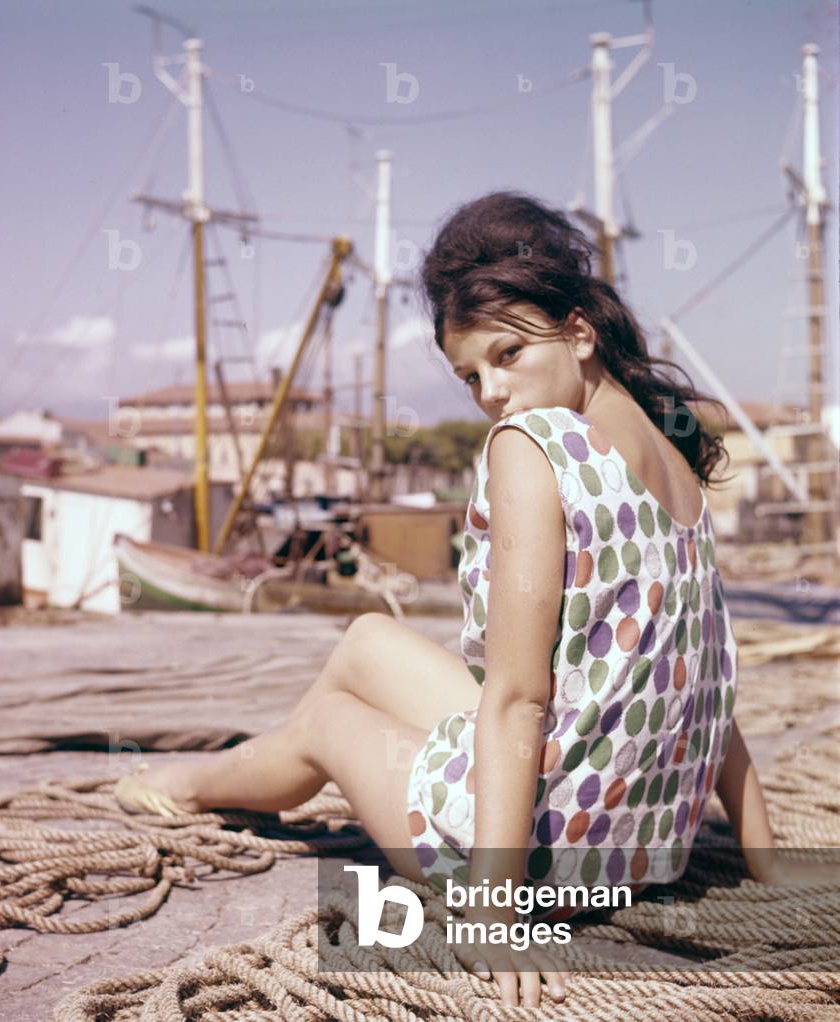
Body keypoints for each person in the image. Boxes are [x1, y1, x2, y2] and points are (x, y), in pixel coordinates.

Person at [115, 191, 833, 1008]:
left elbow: (520, 697)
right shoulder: (671, 452)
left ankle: (197, 785)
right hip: (636, 844)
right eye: (469, 375)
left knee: (329, 722)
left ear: (577, 330)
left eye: (507, 354)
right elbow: (703, 682)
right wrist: (762, 856)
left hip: (544, 860)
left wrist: (493, 907)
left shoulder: (534, 448)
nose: (492, 391)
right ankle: (247, 770)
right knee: (365, 642)